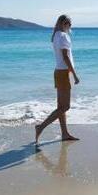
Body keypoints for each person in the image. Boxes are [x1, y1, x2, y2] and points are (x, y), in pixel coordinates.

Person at [35, 15, 80, 144]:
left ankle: (64, 133)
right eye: (68, 23)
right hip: (64, 72)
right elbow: (65, 56)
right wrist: (75, 74)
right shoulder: (64, 36)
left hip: (58, 72)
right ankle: (40, 127)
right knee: (65, 107)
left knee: (61, 107)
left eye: (70, 24)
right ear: (63, 23)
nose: (69, 26)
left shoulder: (55, 36)